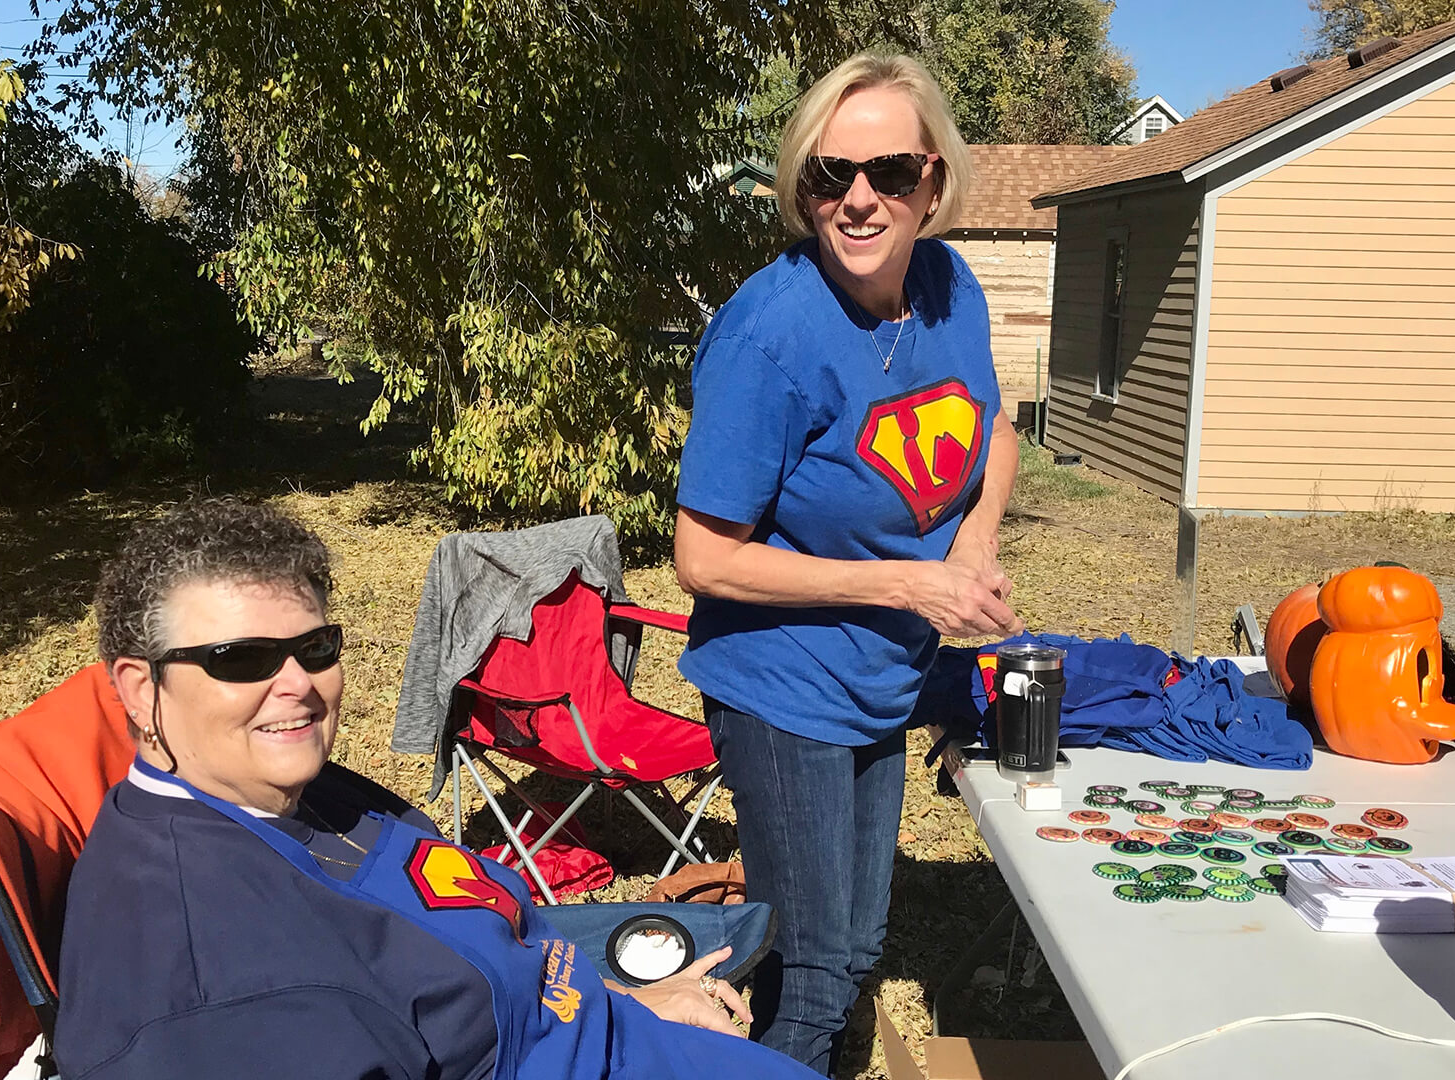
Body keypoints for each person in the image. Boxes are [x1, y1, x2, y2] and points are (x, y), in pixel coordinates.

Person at [52, 498, 824, 1080]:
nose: (297, 686)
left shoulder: (295, 793)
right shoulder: (211, 987)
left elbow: (466, 961)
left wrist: (623, 1003)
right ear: (140, 690)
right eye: (241, 658)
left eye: (314, 648)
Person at [672, 52, 1021, 1074]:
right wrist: (910, 583)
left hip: (886, 668)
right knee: (819, 968)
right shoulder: (768, 334)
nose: (859, 199)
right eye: (831, 176)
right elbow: (702, 556)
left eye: (889, 173)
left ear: (934, 183)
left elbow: (993, 430)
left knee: (858, 942)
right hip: (783, 682)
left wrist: (973, 540)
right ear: (802, 186)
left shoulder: (952, 289)